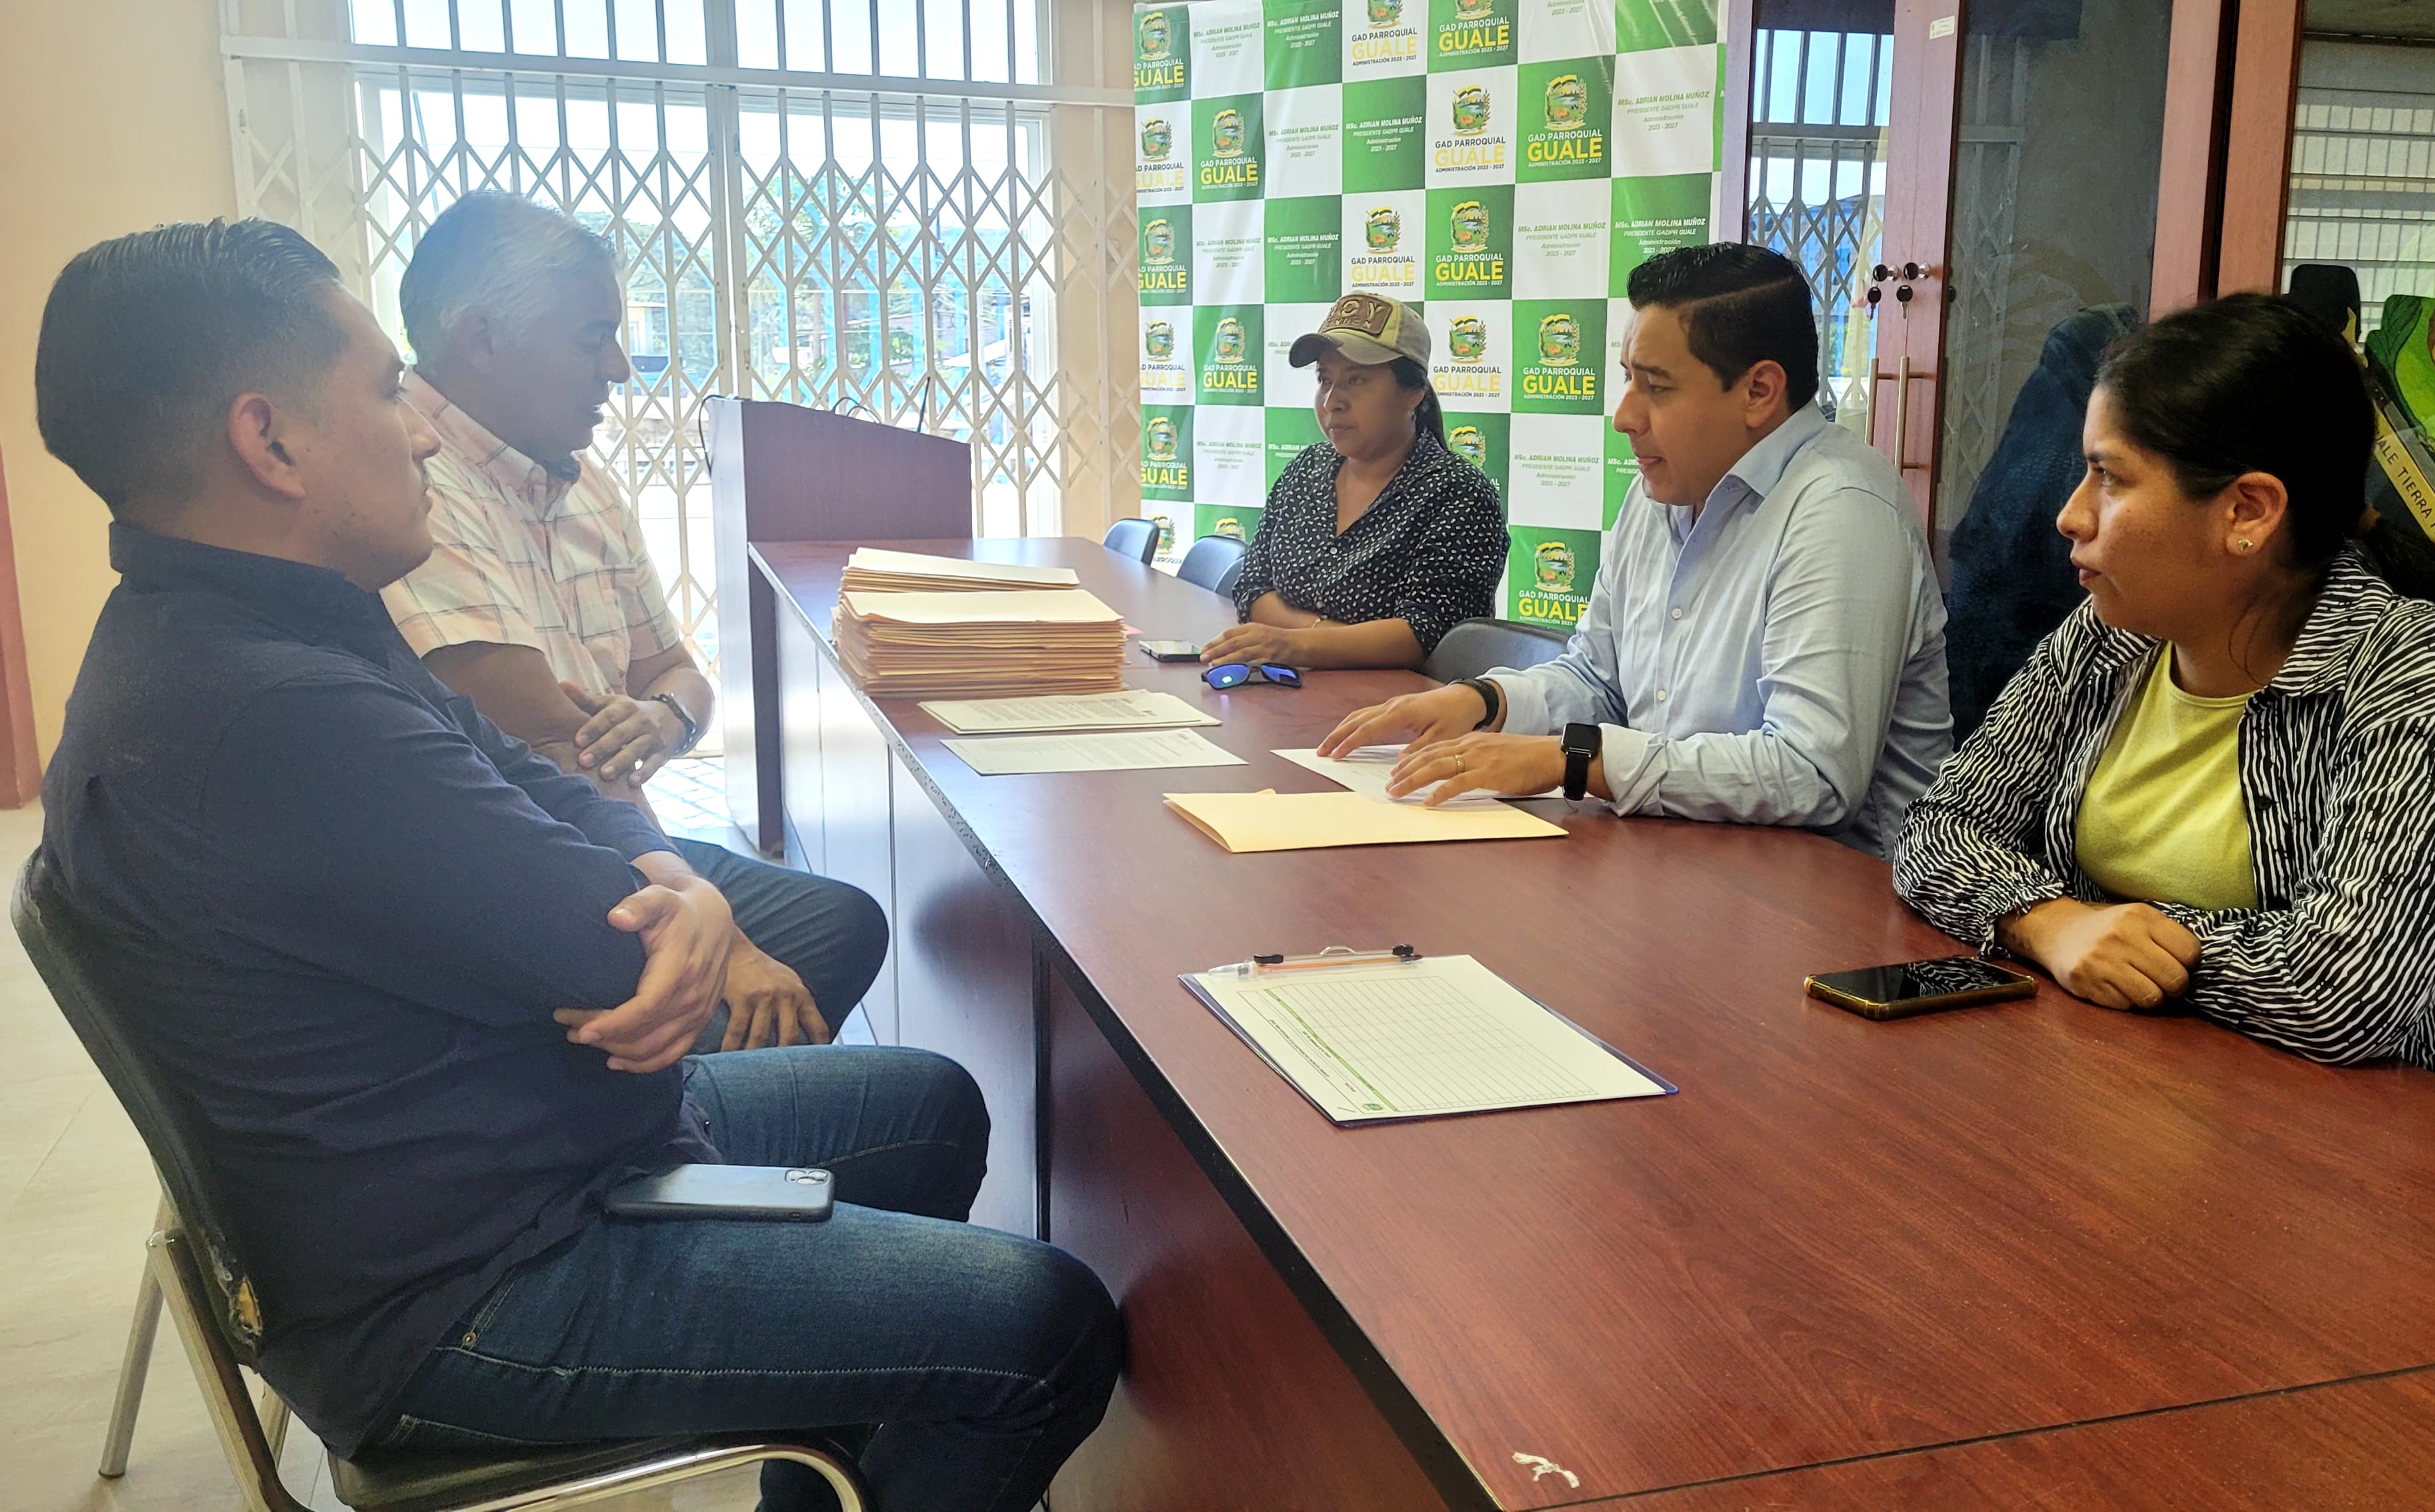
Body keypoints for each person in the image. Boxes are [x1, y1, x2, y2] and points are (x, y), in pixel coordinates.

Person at [33, 219, 1117, 1512]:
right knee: (1045, 1326)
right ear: (269, 442)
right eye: (385, 391)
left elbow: (537, 776)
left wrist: (690, 889)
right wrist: (680, 908)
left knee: (927, 1108)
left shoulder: (258, 623)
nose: (421, 433)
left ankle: (825, 1470)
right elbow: (614, 951)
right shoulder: (268, 712)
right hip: (474, 1282)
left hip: (519, 1152)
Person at [1889, 293, 2435, 1100]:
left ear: (2247, 512)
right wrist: (2050, 923)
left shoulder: (2421, 670)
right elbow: (1938, 829)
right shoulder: (2112, 632)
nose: (2070, 516)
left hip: (2366, 1141)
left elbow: (2343, 989)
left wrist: (2123, 937)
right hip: (2120, 1084)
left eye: (2110, 477)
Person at [387, 192, 880, 1053]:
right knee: (853, 1050)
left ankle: (719, 1114)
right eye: (592, 338)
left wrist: (663, 716)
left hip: (616, 830)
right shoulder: (409, 489)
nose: (619, 368)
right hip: (523, 865)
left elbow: (679, 675)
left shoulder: (582, 484)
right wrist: (724, 944)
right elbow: (557, 747)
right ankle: (689, 1111)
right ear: (481, 341)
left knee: (839, 925)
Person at [1316, 244, 1952, 853]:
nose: (1625, 416)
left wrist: (1576, 761)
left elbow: (1811, 774)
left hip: (1837, 895)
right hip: (1682, 848)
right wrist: (1484, 701)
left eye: (1657, 387)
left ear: (1759, 392)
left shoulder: (1842, 509)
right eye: (1628, 379)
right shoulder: (1664, 487)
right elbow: (1599, 680)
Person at [1200, 292, 1507, 672]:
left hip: (1398, 702)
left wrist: (1294, 643)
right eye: (1324, 379)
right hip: (1287, 688)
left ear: (1413, 393)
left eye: (1356, 380)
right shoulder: (1305, 470)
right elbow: (1252, 587)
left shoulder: (1458, 493)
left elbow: (1426, 635)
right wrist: (1317, 640)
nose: (1333, 401)